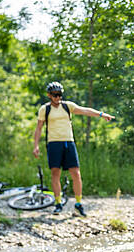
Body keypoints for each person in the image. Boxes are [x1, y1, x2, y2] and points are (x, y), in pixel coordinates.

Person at [33, 81, 115, 216]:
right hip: (53, 143)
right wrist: (35, 145)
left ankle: (78, 204)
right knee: (55, 173)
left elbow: (85, 110)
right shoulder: (44, 109)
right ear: (49, 95)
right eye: (54, 95)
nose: (57, 98)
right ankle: (58, 203)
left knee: (76, 173)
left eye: (59, 95)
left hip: (68, 142)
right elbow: (39, 128)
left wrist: (101, 114)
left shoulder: (67, 106)